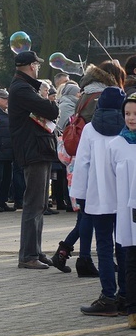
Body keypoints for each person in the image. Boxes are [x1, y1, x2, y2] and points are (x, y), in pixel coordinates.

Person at [69, 87, 127, 315]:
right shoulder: (127, 128)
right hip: (123, 196)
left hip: (98, 196)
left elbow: (81, 163)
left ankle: (108, 297)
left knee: (103, 247)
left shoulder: (91, 129)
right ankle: (125, 295)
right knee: (123, 247)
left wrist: (80, 195)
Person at [8, 51, 60, 269]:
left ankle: (35, 251)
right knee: (33, 204)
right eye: (36, 65)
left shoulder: (25, 87)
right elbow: (51, 111)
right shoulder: (21, 88)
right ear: (30, 66)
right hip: (33, 149)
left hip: (37, 148)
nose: (38, 68)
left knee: (39, 203)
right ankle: (28, 255)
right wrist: (48, 98)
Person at [111, 94, 136, 329]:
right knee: (130, 261)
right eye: (127, 114)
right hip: (128, 216)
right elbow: (112, 176)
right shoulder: (116, 144)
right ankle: (133, 310)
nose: (131, 118)